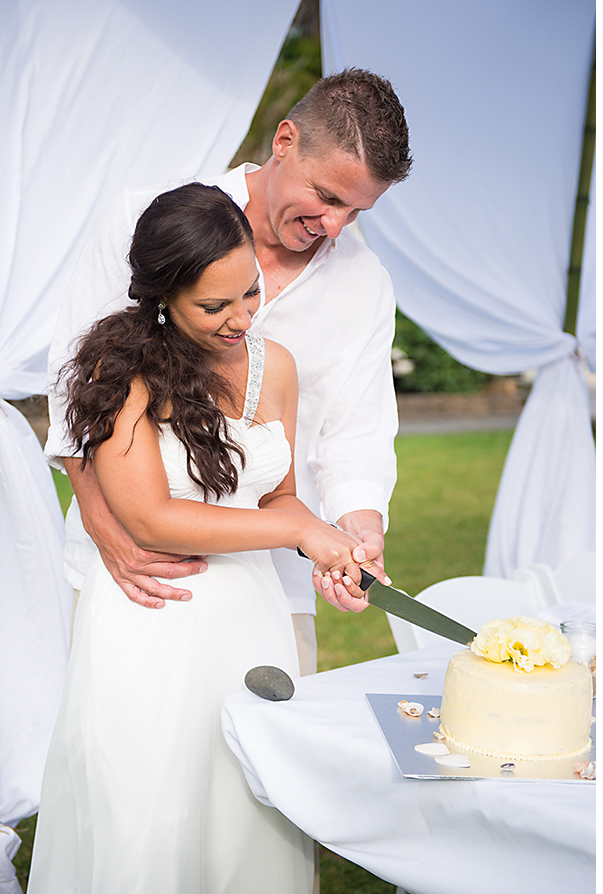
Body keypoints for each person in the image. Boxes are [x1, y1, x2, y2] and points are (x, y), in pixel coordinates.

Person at [29, 183, 365, 893]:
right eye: (215, 306)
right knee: (150, 821)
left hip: (250, 620)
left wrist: (322, 548)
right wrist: (297, 529)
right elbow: (150, 516)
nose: (240, 317)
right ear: (161, 299)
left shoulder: (277, 369)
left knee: (245, 821)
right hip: (155, 618)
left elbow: (278, 495)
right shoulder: (119, 372)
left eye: (249, 294)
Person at [44, 68, 413, 675]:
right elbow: (75, 387)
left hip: (274, 582)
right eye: (327, 196)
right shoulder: (145, 219)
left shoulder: (365, 283)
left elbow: (357, 436)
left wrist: (361, 537)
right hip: (136, 574)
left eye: (356, 210)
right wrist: (106, 525)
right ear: (286, 140)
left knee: (266, 760)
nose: (336, 226)